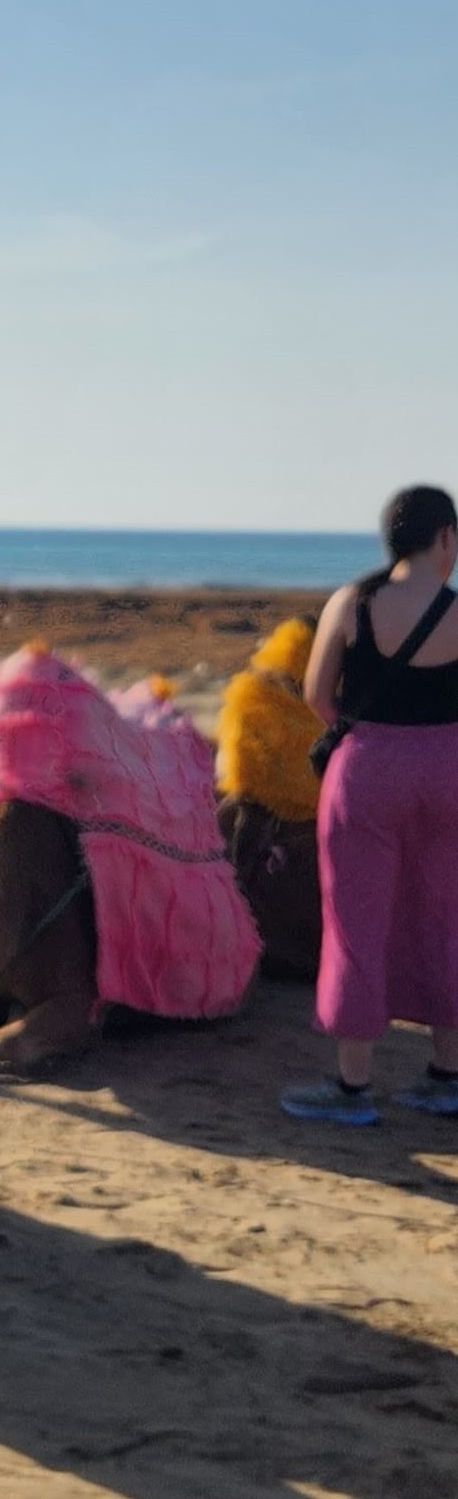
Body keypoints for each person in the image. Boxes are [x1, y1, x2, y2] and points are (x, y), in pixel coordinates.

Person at [282, 482, 458, 1126]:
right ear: (445, 537)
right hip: (450, 772)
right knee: (448, 916)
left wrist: (366, 733)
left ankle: (353, 1089)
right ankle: (448, 1076)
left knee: (356, 921)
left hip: (369, 771)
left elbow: (315, 694)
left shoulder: (352, 602)